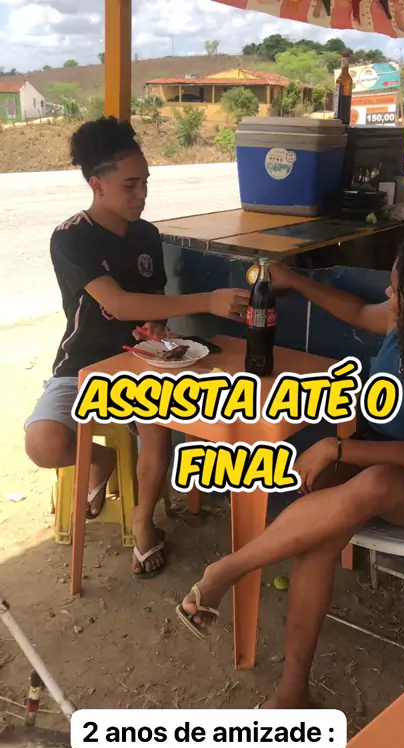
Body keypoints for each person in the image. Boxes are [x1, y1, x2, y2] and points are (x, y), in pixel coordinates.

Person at [177, 234, 404, 707]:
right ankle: (292, 692)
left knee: (375, 482)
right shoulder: (401, 320)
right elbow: (356, 312)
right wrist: (295, 280)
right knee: (320, 533)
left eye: (398, 289)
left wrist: (336, 447)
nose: (388, 295)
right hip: (372, 455)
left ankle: (228, 568)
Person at [24, 116, 250, 580]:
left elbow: (151, 302)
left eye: (145, 182)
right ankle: (102, 459)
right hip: (84, 363)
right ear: (97, 184)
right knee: (43, 445)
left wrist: (158, 327)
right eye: (130, 185)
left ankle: (143, 519)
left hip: (144, 361)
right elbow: (120, 303)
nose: (141, 194)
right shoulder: (71, 237)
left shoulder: (146, 235)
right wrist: (207, 301)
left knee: (159, 430)